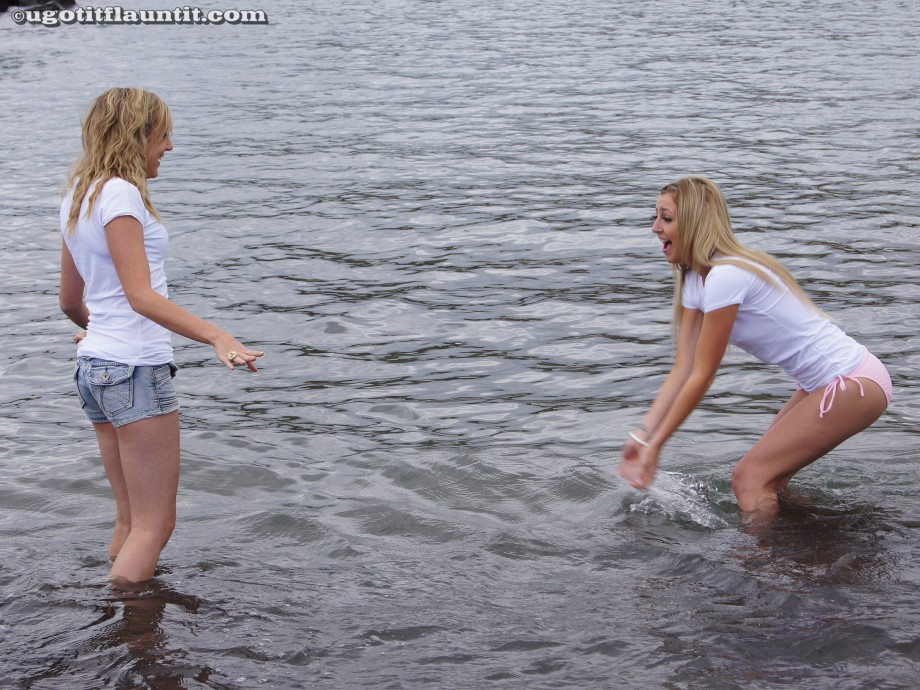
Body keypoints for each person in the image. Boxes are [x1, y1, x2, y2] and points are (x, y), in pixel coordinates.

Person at [59, 87, 264, 584]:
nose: (168, 146)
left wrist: (97, 333)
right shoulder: (122, 195)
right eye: (163, 134)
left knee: (130, 520)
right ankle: (128, 630)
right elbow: (141, 296)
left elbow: (69, 301)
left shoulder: (77, 193)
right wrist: (217, 336)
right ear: (137, 135)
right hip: (132, 369)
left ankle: (110, 629)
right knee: (155, 525)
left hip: (96, 369)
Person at [618, 176, 891, 517]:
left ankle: (760, 568)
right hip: (825, 383)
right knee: (771, 479)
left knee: (749, 478)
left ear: (693, 223)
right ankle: (809, 544)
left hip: (850, 382)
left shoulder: (726, 276)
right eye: (656, 217)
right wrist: (643, 437)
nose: (655, 227)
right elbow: (683, 368)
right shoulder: (694, 280)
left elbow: (702, 375)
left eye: (666, 218)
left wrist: (656, 446)